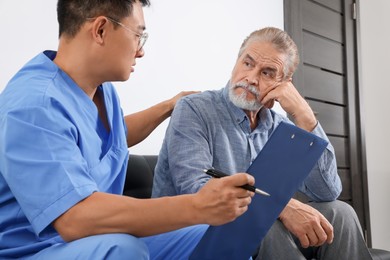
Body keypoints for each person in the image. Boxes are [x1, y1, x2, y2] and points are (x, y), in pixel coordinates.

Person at [0, 0, 256, 259]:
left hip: (98, 237)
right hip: (37, 247)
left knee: (216, 238)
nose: (140, 51)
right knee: (124, 250)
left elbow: (109, 139)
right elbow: (73, 218)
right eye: (138, 35)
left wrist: (169, 106)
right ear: (100, 30)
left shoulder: (102, 91)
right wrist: (196, 206)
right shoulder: (35, 104)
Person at [152, 27, 373, 260]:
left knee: (341, 213)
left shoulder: (281, 128)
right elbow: (193, 185)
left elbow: (327, 191)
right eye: (247, 63)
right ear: (237, 61)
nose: (251, 78)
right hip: (194, 231)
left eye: (267, 73)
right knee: (264, 225)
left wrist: (304, 117)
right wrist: (280, 207)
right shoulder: (194, 108)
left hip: (251, 227)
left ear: (284, 83)